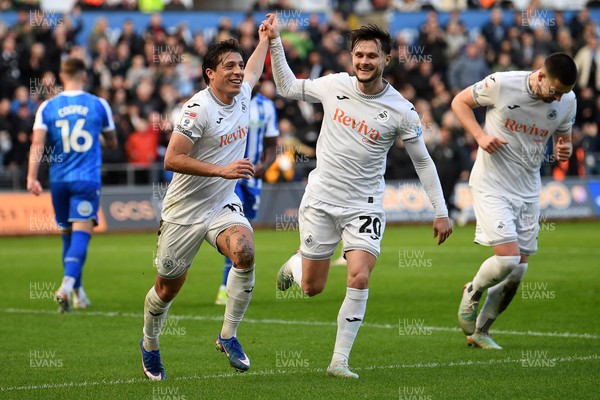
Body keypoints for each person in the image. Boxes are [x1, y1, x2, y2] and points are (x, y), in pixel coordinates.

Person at [265, 16, 453, 378]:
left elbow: (423, 162)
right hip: (320, 199)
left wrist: (440, 211)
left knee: (359, 276)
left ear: (386, 60)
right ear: (352, 58)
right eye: (359, 55)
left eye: (372, 56)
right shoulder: (334, 85)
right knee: (312, 288)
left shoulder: (402, 110)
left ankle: (339, 361)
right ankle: (295, 264)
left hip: (363, 205)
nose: (364, 61)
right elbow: (287, 86)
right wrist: (275, 40)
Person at [139, 18, 271, 381]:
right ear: (210, 74)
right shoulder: (197, 110)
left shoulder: (244, 91)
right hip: (184, 212)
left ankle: (227, 336)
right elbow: (171, 159)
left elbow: (258, 67)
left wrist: (264, 39)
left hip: (221, 205)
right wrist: (223, 170)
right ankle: (150, 343)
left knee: (244, 252)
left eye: (240, 65)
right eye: (229, 66)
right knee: (166, 288)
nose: (238, 72)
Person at [452, 53, 577, 349]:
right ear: (540, 75)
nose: (558, 98)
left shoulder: (566, 101)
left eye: (564, 93)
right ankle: (472, 290)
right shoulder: (502, 83)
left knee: (518, 270)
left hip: (528, 188)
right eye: (554, 91)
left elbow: (564, 136)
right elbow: (459, 102)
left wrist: (565, 148)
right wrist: (480, 136)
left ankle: (480, 331)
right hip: (491, 183)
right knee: (507, 258)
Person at [27, 57, 117, 313]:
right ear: (84, 76)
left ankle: (77, 292)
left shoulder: (47, 107)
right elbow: (112, 142)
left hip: (58, 181)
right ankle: (66, 287)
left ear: (61, 76)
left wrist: (32, 177)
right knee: (82, 235)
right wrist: (98, 135)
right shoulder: (99, 105)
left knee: (67, 234)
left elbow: (37, 145)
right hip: (86, 180)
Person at [215, 77, 279, 305]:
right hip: (229, 177)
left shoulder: (267, 106)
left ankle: (233, 284)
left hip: (253, 178)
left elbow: (272, 144)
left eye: (260, 78)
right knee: (236, 229)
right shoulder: (224, 101)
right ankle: (225, 287)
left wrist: (265, 165)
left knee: (246, 232)